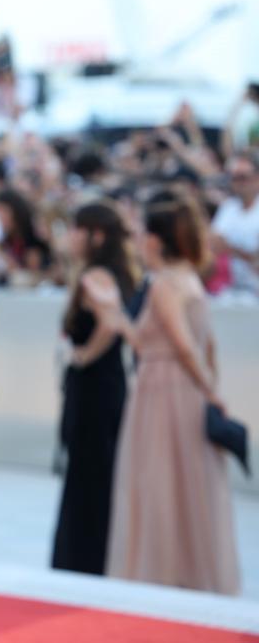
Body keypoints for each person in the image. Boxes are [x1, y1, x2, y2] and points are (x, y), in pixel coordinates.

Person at [85, 193, 241, 595]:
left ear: (155, 240)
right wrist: (210, 389)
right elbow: (200, 347)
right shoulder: (189, 278)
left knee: (160, 482)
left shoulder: (164, 285)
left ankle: (164, 572)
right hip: (176, 388)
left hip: (165, 391)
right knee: (182, 483)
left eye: (141, 233)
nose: (137, 240)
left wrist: (115, 314)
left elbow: (182, 345)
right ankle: (183, 569)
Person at [51, 201, 136, 575]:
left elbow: (110, 324)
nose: (70, 237)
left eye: (76, 229)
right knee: (97, 472)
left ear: (96, 235)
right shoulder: (116, 272)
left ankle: (82, 559)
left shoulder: (96, 276)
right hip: (106, 386)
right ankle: (91, 557)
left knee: (89, 472)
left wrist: (83, 356)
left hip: (94, 389)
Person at [211, 150, 259, 295]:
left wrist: (230, 249)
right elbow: (213, 244)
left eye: (243, 177)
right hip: (229, 290)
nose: (238, 183)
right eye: (233, 178)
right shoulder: (228, 208)